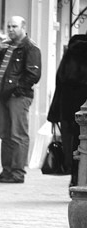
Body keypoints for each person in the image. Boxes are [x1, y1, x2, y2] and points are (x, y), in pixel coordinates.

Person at [0, 16, 41, 184]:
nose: (10, 29)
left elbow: (33, 74)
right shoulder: (6, 46)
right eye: (8, 26)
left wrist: (17, 90)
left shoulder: (30, 47)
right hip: (3, 95)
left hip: (18, 96)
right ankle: (6, 171)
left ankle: (17, 173)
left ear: (23, 27)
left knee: (18, 135)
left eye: (14, 26)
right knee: (5, 134)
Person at [47, 34, 86, 187]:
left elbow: (60, 83)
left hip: (69, 110)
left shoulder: (72, 51)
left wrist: (54, 112)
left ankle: (75, 180)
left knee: (75, 147)